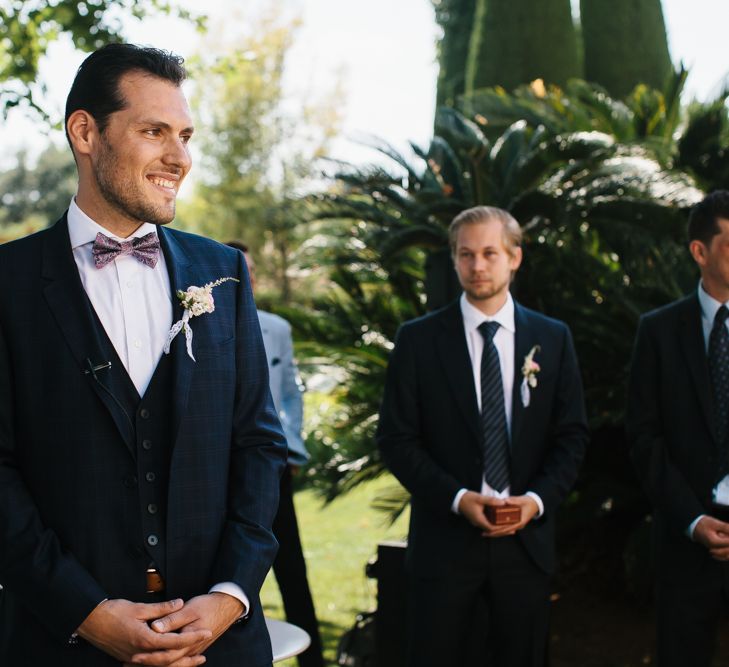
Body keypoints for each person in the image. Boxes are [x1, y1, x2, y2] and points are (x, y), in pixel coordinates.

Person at [0, 44, 286, 667]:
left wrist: (231, 594)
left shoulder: (224, 273)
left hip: (220, 647)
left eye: (184, 135)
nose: (179, 158)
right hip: (61, 645)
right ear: (85, 132)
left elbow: (259, 444)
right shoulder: (8, 282)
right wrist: (83, 611)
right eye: (154, 131)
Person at [377, 205, 588, 667]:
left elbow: (571, 436)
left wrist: (535, 501)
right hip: (444, 548)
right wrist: (457, 498)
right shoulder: (418, 340)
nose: (477, 266)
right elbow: (396, 438)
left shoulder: (552, 339)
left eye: (490, 253)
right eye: (466, 254)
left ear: (514, 257)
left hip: (525, 548)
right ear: (453, 259)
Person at [627, 189, 729, 667]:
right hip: (685, 542)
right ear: (699, 251)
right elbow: (644, 437)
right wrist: (690, 519)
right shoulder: (659, 331)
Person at [226, 241, 325, 667]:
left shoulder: (277, 328)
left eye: (248, 270)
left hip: (275, 466)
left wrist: (291, 446)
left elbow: (290, 395)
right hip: (221, 470)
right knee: (228, 569)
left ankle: (314, 659)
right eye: (235, 270)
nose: (243, 278)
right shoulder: (194, 318)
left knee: (291, 566)